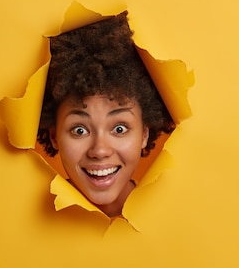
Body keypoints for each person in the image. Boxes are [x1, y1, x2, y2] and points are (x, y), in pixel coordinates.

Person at [37, 11, 175, 218]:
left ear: (144, 133)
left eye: (119, 128)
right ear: (54, 136)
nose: (99, 150)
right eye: (80, 130)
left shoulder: (175, 221)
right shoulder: (24, 229)